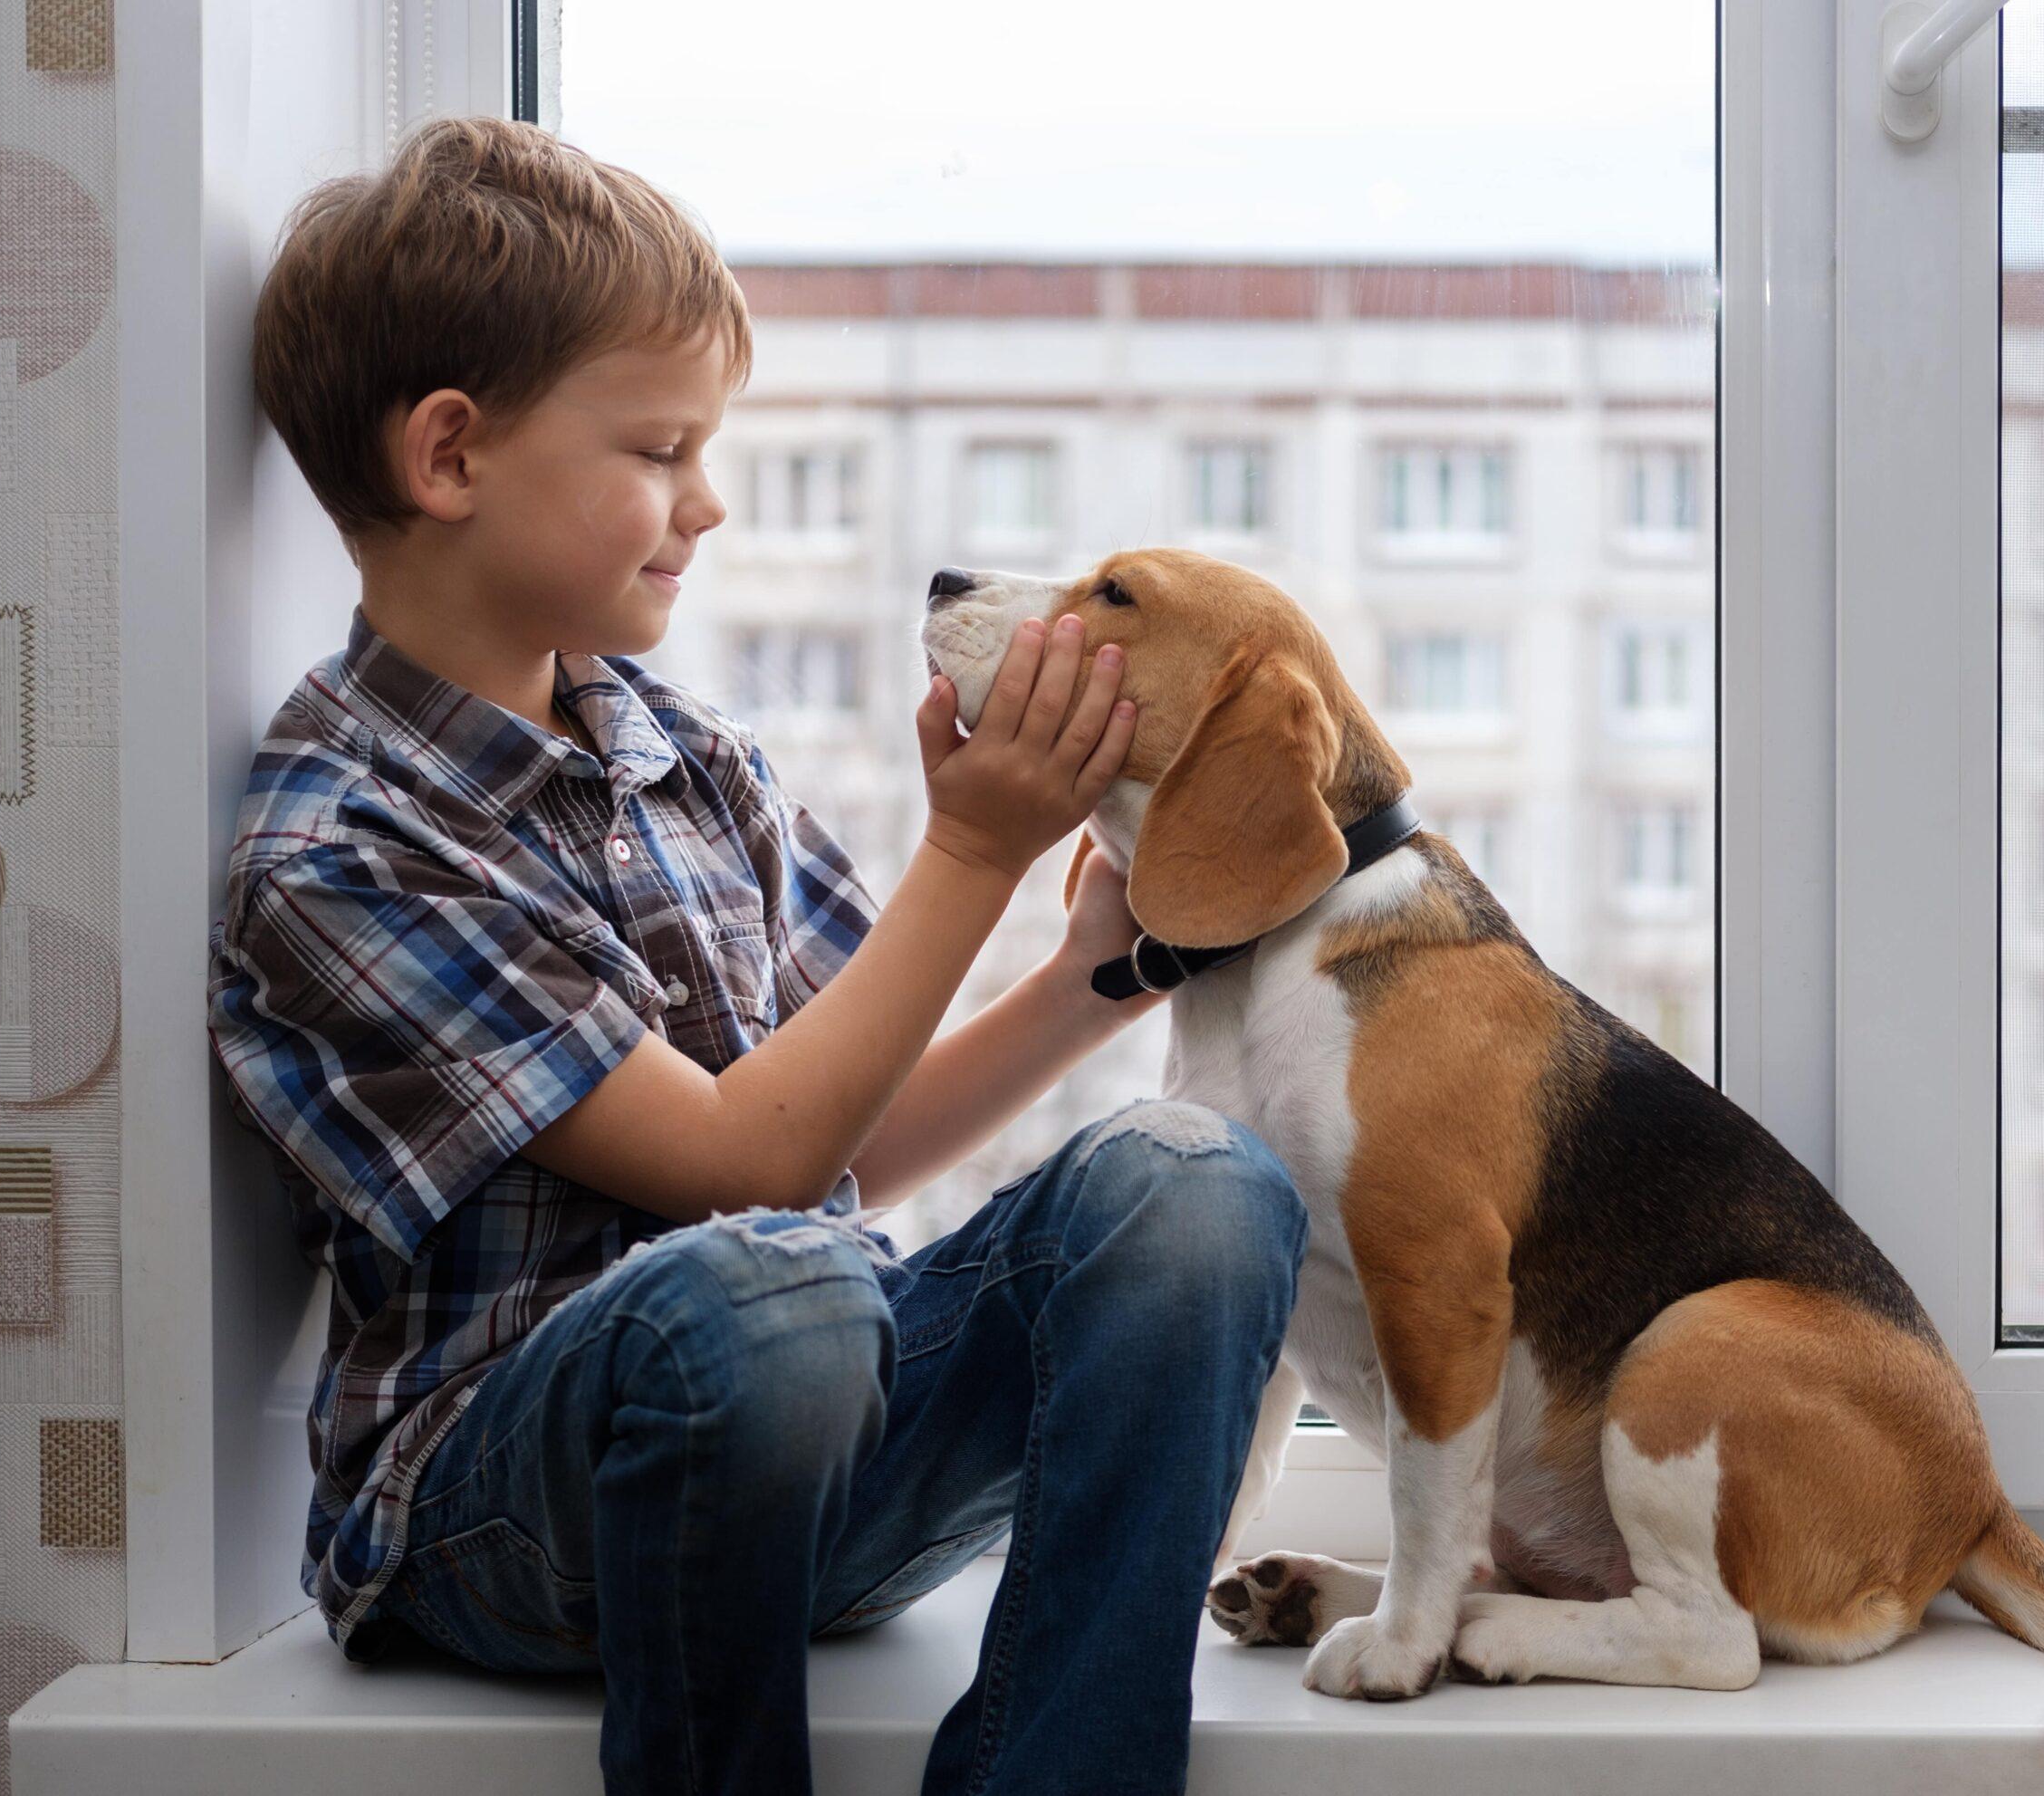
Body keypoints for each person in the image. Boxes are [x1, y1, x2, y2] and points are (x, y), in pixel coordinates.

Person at [205, 115, 1308, 1796]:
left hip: (820, 1444)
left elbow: (852, 1135)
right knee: (765, 1285)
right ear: (449, 457)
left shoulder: (682, 751)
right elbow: (749, 1166)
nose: (706, 505)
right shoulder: (338, 845)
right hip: (509, 1515)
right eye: (659, 449)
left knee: (1200, 1182)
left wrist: (1104, 966)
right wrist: (969, 851)